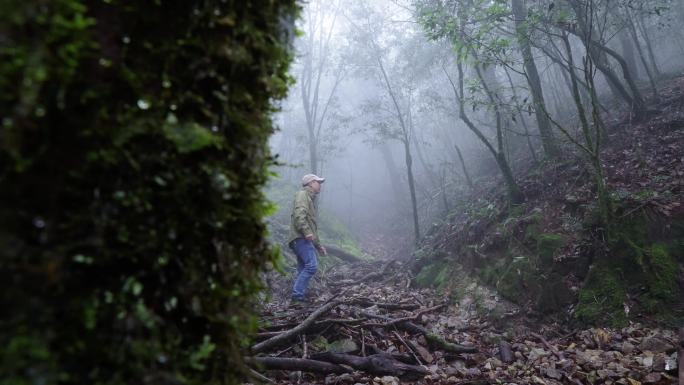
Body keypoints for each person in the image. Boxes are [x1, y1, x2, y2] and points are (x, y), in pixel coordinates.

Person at [288, 173, 327, 305]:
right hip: (301, 238)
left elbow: (312, 227)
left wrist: (318, 245)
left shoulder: (309, 199)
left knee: (303, 268)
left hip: (300, 238)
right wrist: (306, 232)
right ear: (310, 183)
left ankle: (299, 298)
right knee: (311, 266)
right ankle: (297, 297)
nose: (320, 185)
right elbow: (300, 215)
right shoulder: (302, 195)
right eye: (318, 182)